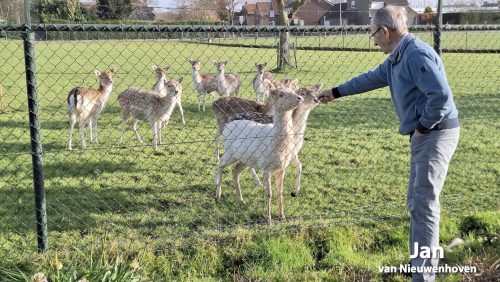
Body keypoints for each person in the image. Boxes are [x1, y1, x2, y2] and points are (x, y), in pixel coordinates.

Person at [317, 5, 460, 282]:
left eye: (373, 35)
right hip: (427, 134)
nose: (374, 41)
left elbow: (441, 98)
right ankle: (420, 265)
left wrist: (421, 128)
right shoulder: (398, 57)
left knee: (425, 204)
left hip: (435, 134)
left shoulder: (415, 54)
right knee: (417, 203)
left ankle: (423, 275)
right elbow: (371, 78)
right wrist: (336, 92)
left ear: (385, 31)